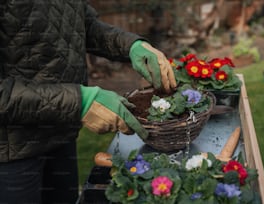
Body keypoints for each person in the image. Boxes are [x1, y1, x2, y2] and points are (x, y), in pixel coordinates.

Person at [0, 1, 176, 203]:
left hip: (60, 130)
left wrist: (131, 46)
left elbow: (83, 25)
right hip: (12, 152)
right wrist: (80, 101)